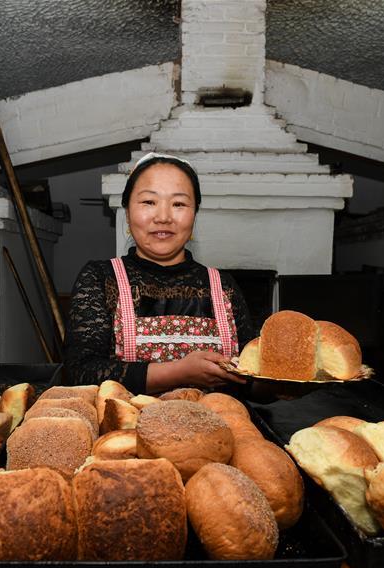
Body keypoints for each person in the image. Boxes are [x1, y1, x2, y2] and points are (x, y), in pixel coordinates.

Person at [64, 152, 254, 394]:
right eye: (148, 202)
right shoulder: (101, 278)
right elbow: (80, 373)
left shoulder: (222, 286)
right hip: (129, 429)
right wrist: (178, 372)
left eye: (179, 204)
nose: (163, 217)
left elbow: (251, 375)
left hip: (218, 428)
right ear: (127, 209)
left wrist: (281, 386)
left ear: (195, 213)